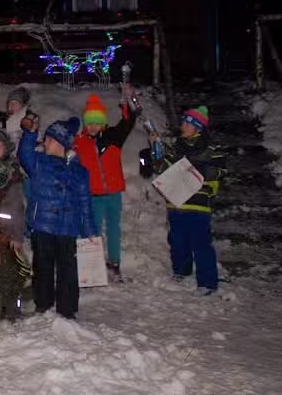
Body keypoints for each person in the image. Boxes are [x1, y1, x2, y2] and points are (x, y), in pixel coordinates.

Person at [18, 114, 98, 319]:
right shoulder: (38, 162)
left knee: (68, 270)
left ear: (59, 142)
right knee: (42, 268)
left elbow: (85, 202)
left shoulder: (79, 171)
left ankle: (67, 309)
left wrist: (90, 230)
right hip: (43, 226)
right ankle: (43, 304)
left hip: (67, 228)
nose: (44, 142)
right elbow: (24, 153)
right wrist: (30, 133)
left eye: (48, 139)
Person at [150, 106, 226, 295]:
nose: (182, 126)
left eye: (187, 123)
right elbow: (161, 167)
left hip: (199, 204)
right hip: (176, 202)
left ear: (197, 127)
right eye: (183, 122)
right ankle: (181, 271)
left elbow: (221, 171)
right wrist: (156, 150)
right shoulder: (176, 147)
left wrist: (195, 169)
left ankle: (207, 282)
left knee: (200, 243)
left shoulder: (212, 149)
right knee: (177, 240)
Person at [73, 89, 138, 281]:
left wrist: (127, 103)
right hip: (93, 195)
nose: (93, 126)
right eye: (90, 123)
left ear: (103, 123)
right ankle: (92, 266)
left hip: (113, 194)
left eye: (97, 122)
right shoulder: (80, 143)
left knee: (113, 229)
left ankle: (114, 263)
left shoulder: (113, 137)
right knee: (93, 231)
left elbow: (127, 122)